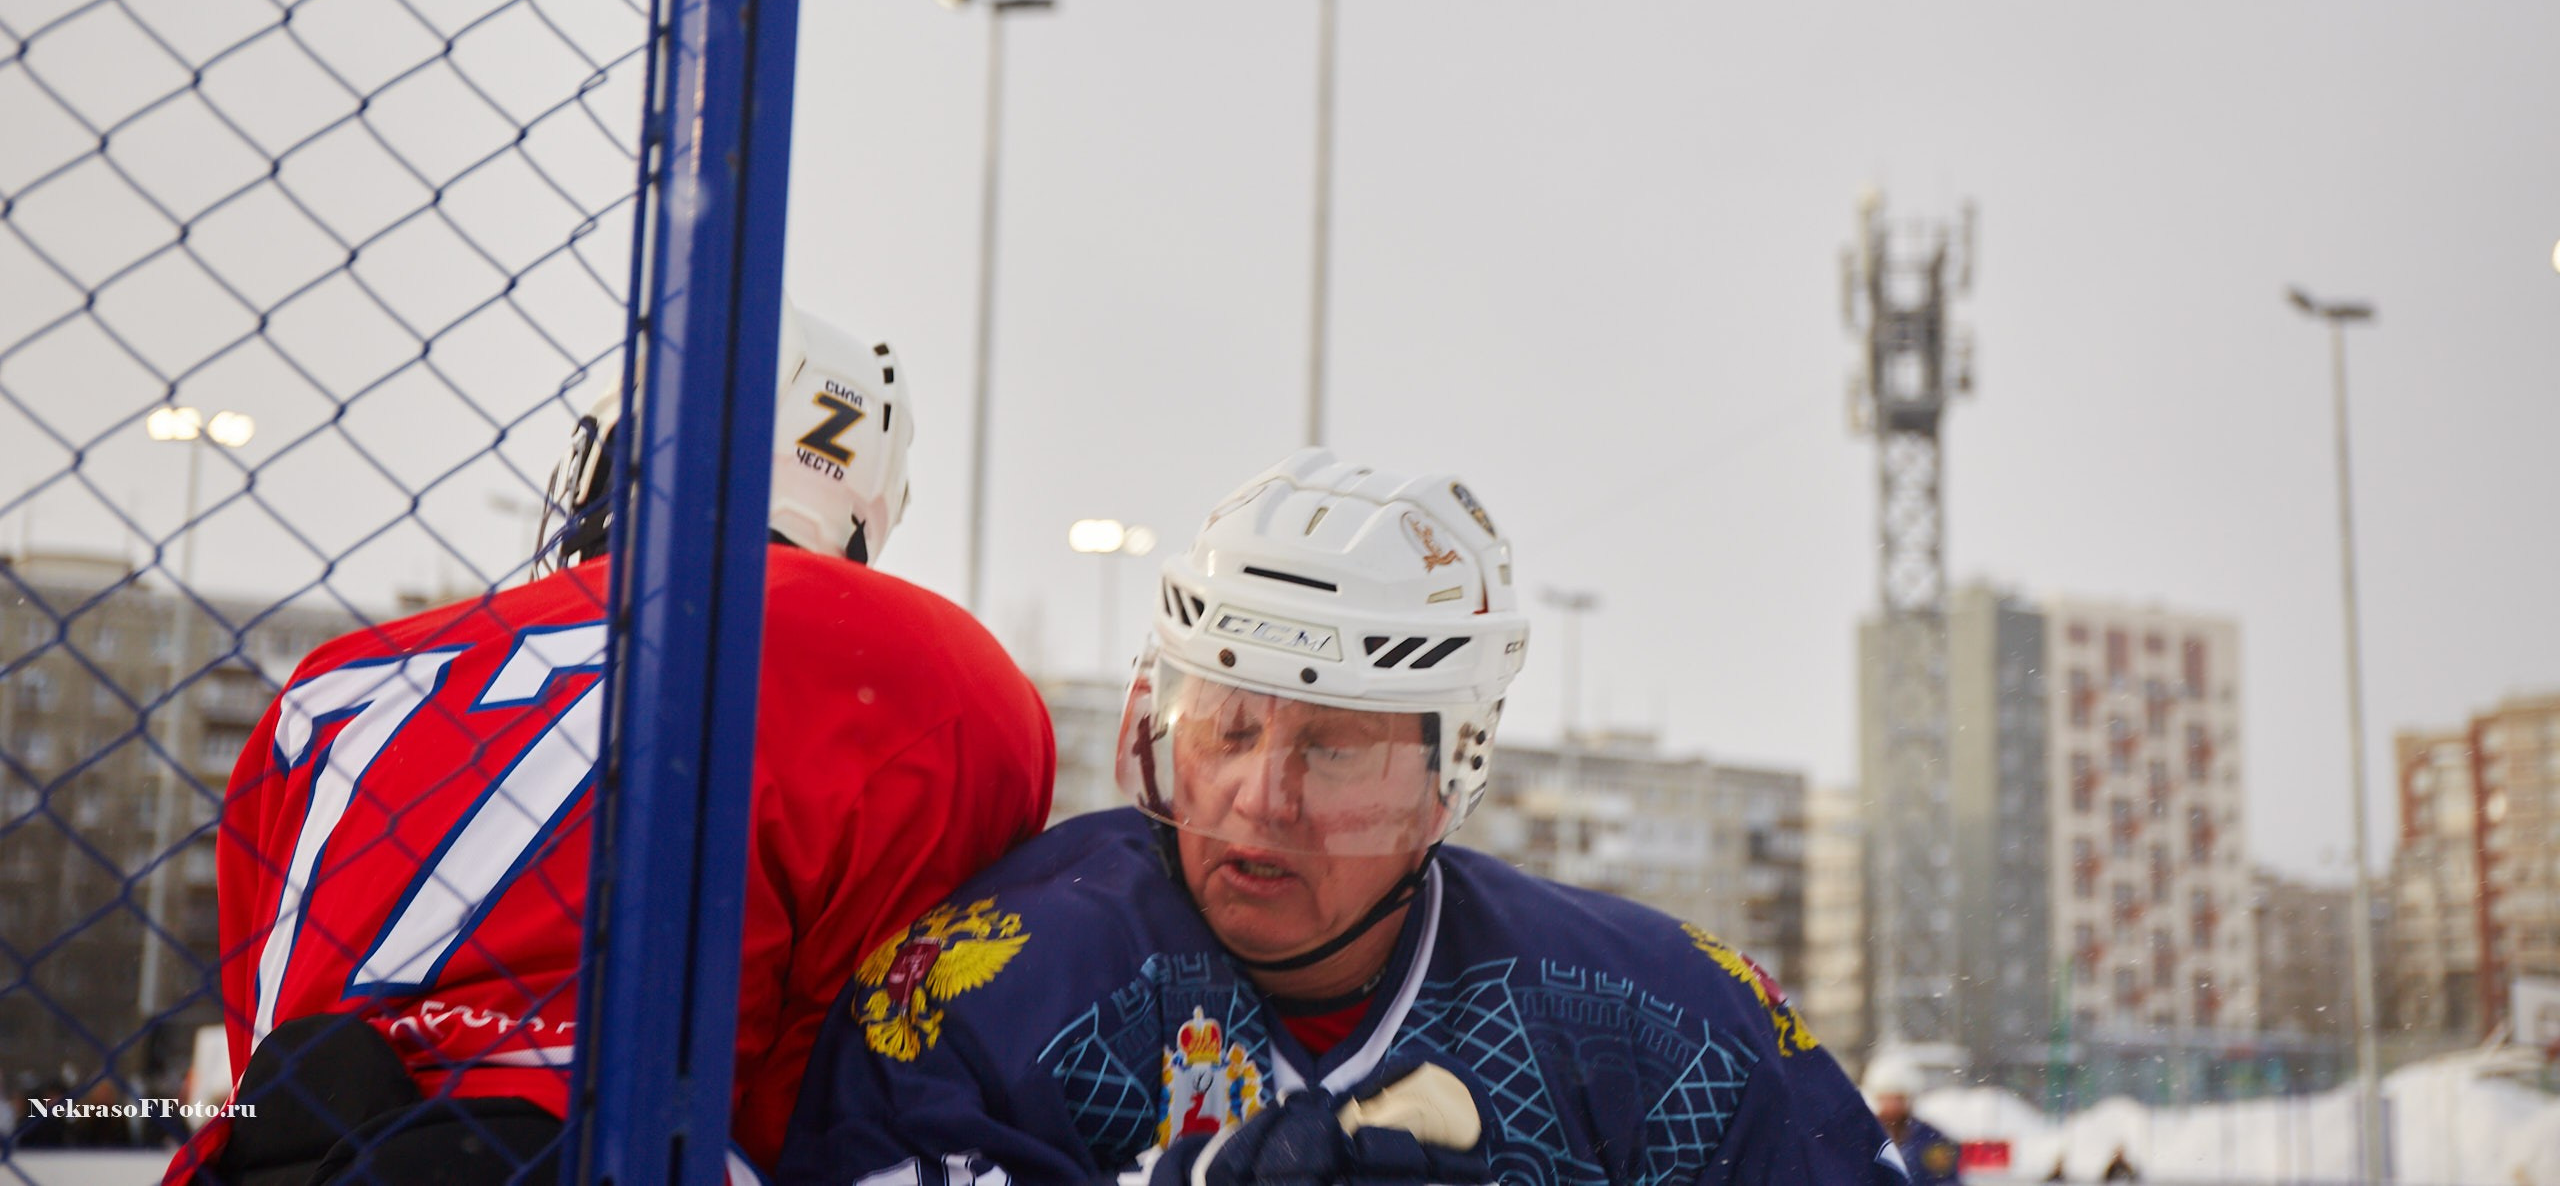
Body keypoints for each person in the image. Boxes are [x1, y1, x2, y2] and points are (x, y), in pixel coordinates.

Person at [779, 449, 1898, 1186]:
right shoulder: (984, 990)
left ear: (1448, 768)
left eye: (1333, 749)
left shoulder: (1672, 1025)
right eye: (1225, 731)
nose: (1261, 799)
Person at [165, 301, 1055, 1185]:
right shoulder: (925, 673)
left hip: (316, 1138)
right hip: (604, 1148)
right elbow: (835, 1088)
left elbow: (264, 1039)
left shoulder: (341, 685)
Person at [1865, 1056, 1961, 1186]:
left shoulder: (1932, 1141)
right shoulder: (1863, 1136)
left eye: (1897, 1099)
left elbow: (1947, 1180)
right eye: (1885, 1099)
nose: (1891, 1106)